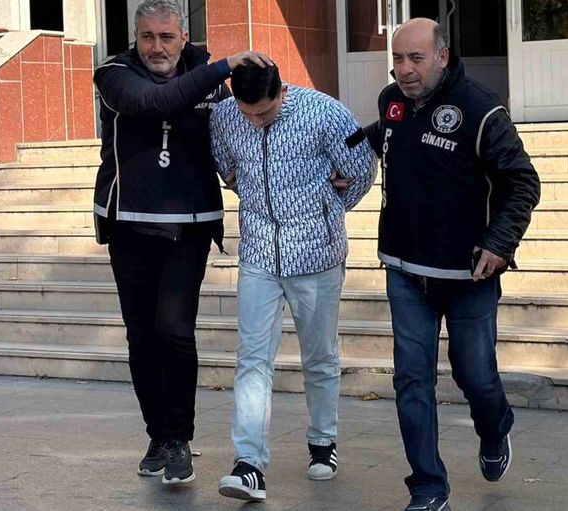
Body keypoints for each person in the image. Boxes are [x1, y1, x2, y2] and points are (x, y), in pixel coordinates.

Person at [362, 18, 541, 511]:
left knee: (475, 376)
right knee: (411, 380)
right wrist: (343, 157)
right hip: (404, 268)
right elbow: (388, 134)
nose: (404, 70)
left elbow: (522, 182)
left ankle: (494, 428)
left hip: (469, 275)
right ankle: (427, 487)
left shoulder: (482, 110)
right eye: (398, 59)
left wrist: (499, 243)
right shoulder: (391, 101)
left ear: (442, 57)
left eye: (415, 59)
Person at [92, 0, 270, 486]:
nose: (157, 47)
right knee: (141, 337)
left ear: (183, 37)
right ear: (136, 38)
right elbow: (154, 103)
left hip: (189, 225)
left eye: (167, 37)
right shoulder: (114, 73)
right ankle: (157, 433)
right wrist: (222, 67)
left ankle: (177, 439)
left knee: (174, 331)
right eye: (147, 37)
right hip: (129, 223)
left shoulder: (208, 74)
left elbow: (248, 120)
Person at [208, 62, 376, 502]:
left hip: (317, 254)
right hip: (259, 254)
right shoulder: (225, 116)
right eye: (248, 114)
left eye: (264, 113)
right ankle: (248, 464)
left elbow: (361, 170)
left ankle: (323, 442)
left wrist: (328, 208)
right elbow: (227, 168)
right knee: (252, 359)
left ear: (282, 91)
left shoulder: (325, 112)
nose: (255, 122)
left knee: (319, 356)